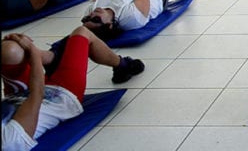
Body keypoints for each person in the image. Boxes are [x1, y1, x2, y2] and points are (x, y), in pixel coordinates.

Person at [1, 27, 145, 150]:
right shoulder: (10, 140)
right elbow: (37, 93)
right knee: (82, 33)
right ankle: (122, 66)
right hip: (60, 93)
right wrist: (32, 51)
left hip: (18, 93)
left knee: (10, 50)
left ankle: (51, 57)